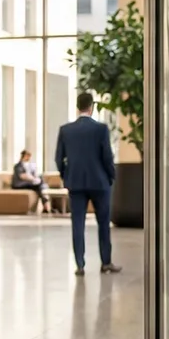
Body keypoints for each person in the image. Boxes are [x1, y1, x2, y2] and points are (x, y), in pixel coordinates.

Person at [55, 92, 121, 276]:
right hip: (99, 183)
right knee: (103, 223)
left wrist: (66, 176)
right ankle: (106, 262)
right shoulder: (101, 129)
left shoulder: (65, 130)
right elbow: (107, 157)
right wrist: (111, 176)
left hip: (75, 183)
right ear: (91, 107)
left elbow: (59, 158)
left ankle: (80, 265)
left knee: (77, 223)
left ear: (78, 107)